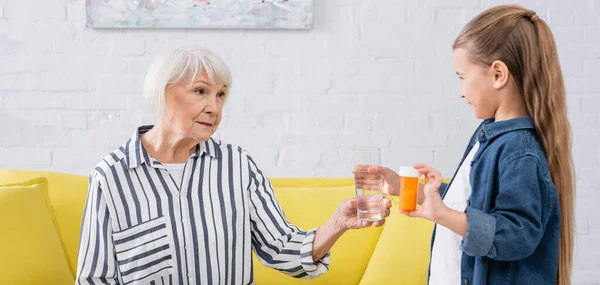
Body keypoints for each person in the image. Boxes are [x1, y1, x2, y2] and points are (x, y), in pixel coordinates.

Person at [75, 46, 391, 285]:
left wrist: (338, 223)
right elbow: (94, 279)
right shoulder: (112, 176)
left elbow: (282, 250)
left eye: (221, 95)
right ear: (164, 94)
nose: (214, 108)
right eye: (200, 92)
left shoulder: (237, 167)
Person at [355, 5, 574, 285]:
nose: (460, 92)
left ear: (498, 74)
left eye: (462, 77)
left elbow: (516, 235)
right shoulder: (490, 135)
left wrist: (444, 215)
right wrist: (403, 187)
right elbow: (477, 205)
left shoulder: (519, 152)